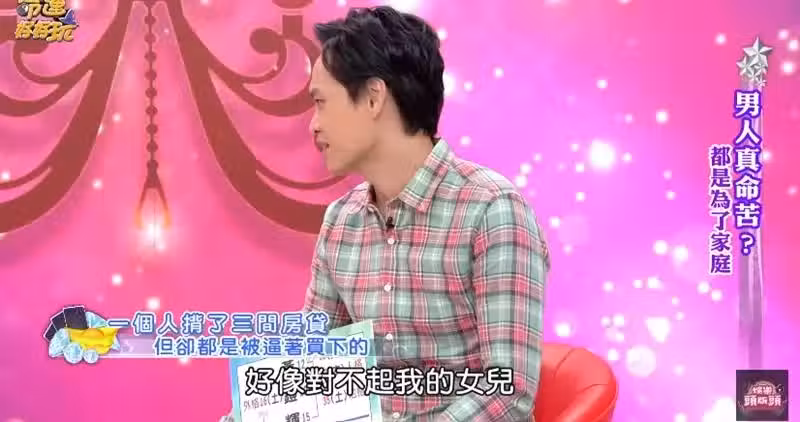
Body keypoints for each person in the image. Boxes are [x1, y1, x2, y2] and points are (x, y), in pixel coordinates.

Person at [223, 5, 549, 421]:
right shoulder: (341, 221)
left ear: (374, 98)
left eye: (321, 102)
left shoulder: (491, 210)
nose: (313, 126)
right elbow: (309, 371)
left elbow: (509, 392)